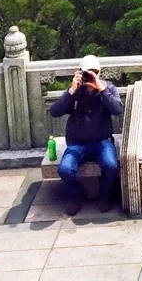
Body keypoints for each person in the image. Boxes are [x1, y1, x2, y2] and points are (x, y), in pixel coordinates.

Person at [49, 54, 123, 214]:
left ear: (100, 72)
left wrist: (100, 88)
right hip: (77, 143)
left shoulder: (108, 88)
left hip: (102, 141)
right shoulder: (75, 91)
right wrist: (71, 91)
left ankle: (104, 196)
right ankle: (77, 194)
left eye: (94, 72)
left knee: (111, 166)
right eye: (87, 72)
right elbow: (55, 112)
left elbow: (117, 109)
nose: (91, 75)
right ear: (80, 72)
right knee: (65, 169)